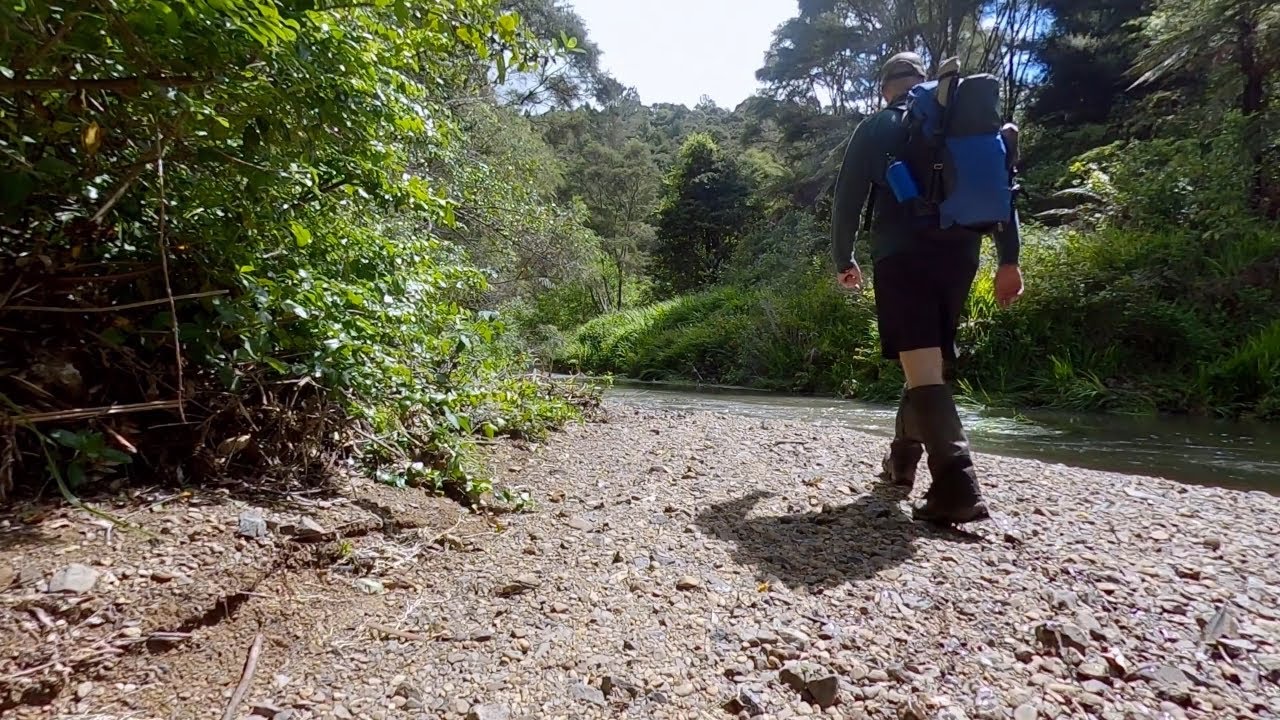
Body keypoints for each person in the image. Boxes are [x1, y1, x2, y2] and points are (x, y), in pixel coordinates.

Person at [830, 51, 1024, 525]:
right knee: (925, 364)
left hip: (904, 255)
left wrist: (843, 257)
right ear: (921, 81)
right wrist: (1009, 259)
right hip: (962, 255)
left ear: (884, 88)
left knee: (923, 369)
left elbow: (848, 198)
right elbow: (1002, 188)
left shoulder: (877, 127)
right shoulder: (962, 122)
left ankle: (957, 484)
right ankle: (902, 461)